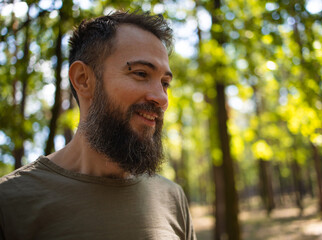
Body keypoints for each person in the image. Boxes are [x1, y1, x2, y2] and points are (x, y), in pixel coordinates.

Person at [0, 10, 196, 240]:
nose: (162, 99)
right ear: (83, 79)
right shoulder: (10, 203)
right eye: (141, 73)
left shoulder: (171, 198)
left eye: (165, 83)